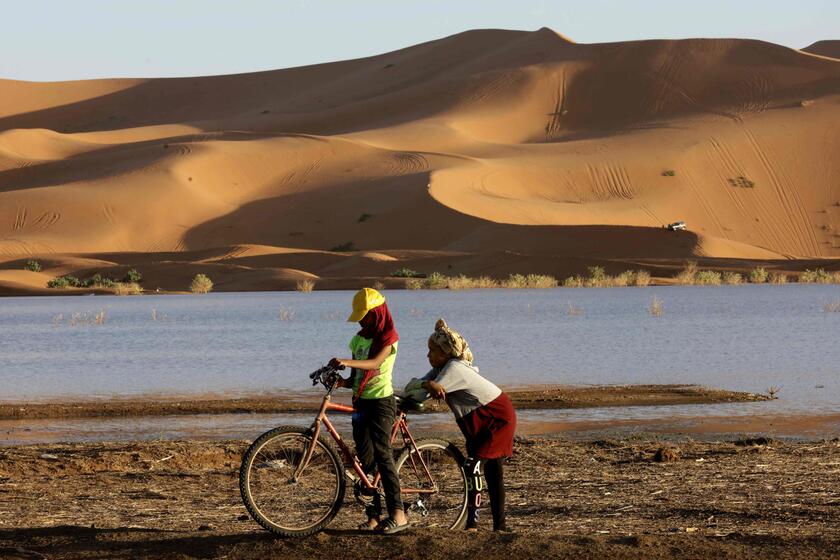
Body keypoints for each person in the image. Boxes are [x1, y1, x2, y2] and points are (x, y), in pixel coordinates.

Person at [404, 319, 516, 532]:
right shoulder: (440, 370)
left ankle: (472, 524)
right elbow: (412, 389)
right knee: (493, 471)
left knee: (472, 466)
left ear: (445, 353)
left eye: (432, 351)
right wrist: (427, 383)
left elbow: (419, 394)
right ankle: (500, 527)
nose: (427, 355)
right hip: (479, 419)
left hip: (496, 417)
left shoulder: (454, 369)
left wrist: (427, 385)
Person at [328, 287, 409, 534]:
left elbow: (375, 364)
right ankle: (373, 516)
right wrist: (340, 381)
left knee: (384, 455)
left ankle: (398, 513)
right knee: (365, 460)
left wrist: (345, 361)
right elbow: (356, 377)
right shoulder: (358, 339)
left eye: (366, 315)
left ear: (377, 312)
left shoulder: (389, 337)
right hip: (361, 402)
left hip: (381, 403)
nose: (363, 320)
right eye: (360, 316)